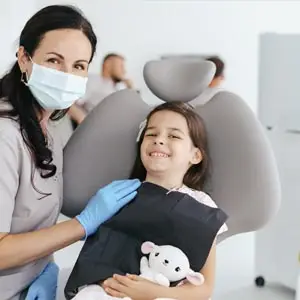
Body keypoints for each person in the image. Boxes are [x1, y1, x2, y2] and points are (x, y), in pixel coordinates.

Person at [0, 5, 141, 300]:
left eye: (78, 66)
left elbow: (32, 225)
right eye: (54, 60)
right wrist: (82, 224)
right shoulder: (4, 135)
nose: (67, 75)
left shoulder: (47, 133)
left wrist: (44, 267)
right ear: (24, 58)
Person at [69, 102, 228, 300]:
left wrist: (155, 293)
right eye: (151, 134)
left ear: (195, 155)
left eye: (174, 136)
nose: (159, 140)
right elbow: (94, 261)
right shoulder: (120, 195)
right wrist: (105, 283)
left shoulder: (203, 207)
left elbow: (204, 288)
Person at [68, 53, 135, 125]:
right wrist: (82, 119)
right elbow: (70, 103)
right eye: (121, 66)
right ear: (108, 65)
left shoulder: (116, 88)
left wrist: (130, 88)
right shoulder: (93, 81)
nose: (124, 71)